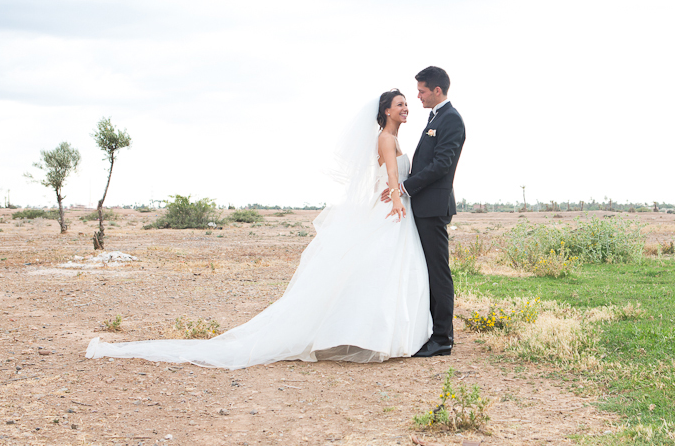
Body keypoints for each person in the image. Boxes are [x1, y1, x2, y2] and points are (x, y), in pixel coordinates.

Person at [85, 90, 432, 369]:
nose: (406, 108)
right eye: (400, 104)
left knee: (382, 271)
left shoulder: (393, 138)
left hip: (392, 207)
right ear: (386, 110)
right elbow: (389, 177)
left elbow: (393, 178)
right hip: (391, 211)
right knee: (379, 269)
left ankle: (376, 333)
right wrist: (398, 201)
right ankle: (374, 334)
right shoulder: (386, 138)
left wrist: (399, 191)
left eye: (406, 104)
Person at [383, 66, 465, 357]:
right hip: (423, 206)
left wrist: (404, 188)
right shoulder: (436, 118)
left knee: (438, 273)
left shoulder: (451, 119)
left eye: (421, 91)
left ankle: (443, 339)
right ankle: (432, 331)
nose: (417, 97)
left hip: (433, 207)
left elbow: (442, 165)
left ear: (437, 91)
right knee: (428, 271)